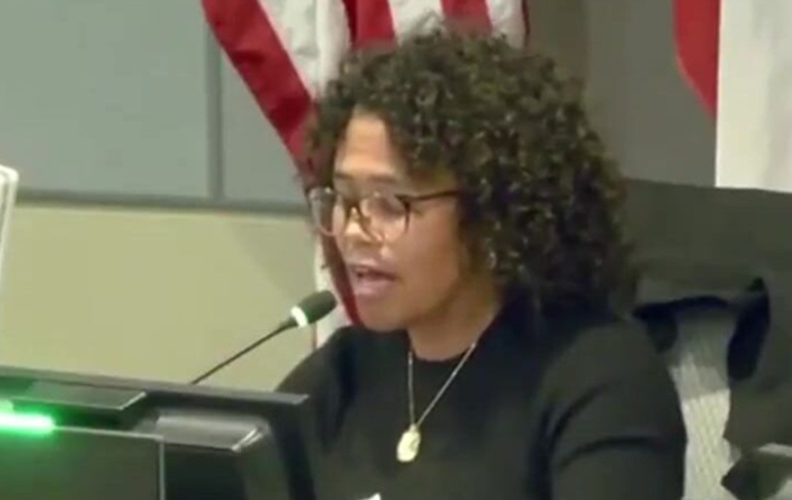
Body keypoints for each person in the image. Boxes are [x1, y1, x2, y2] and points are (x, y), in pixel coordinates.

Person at [279, 27, 686, 500]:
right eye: (345, 199)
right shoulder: (342, 375)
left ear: (492, 213)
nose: (353, 231)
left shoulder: (601, 380)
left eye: (391, 204)